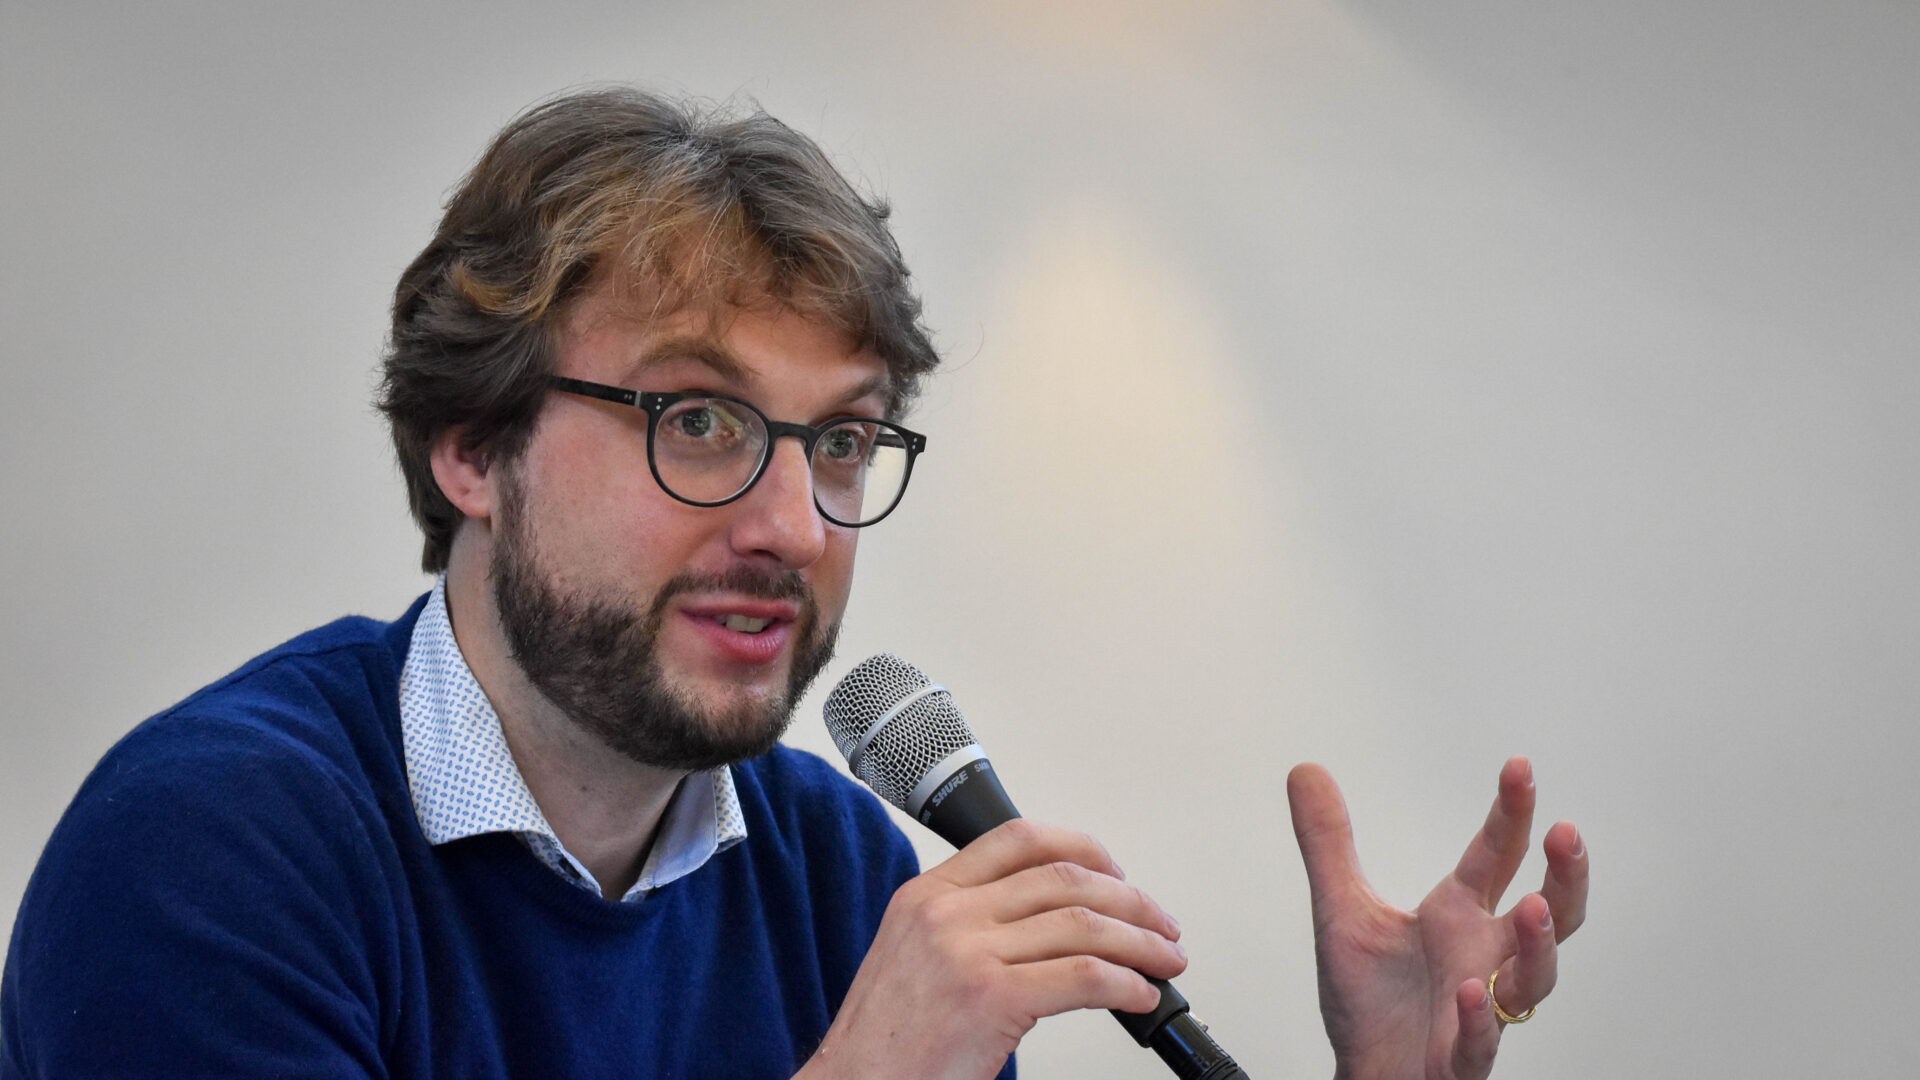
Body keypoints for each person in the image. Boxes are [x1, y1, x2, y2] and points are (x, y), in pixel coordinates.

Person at [0, 86, 1588, 1080]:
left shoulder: (836, 866)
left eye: (839, 441)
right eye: (696, 420)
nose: (791, 523)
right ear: (469, 450)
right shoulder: (212, 847)